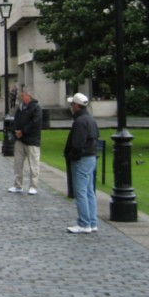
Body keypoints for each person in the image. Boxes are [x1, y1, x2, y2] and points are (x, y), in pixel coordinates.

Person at [64, 93, 100, 234]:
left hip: (82, 159)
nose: (71, 106)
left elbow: (78, 144)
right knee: (90, 192)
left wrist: (72, 156)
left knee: (81, 192)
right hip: (91, 157)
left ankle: (84, 223)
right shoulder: (90, 120)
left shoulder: (79, 122)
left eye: (72, 104)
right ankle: (92, 222)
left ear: (77, 106)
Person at [9, 87, 42, 195]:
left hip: (32, 140)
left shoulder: (36, 108)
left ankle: (33, 186)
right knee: (18, 163)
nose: (20, 97)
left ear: (29, 96)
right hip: (20, 139)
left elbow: (35, 123)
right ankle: (18, 185)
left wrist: (23, 131)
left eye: (23, 95)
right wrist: (15, 131)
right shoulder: (20, 108)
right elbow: (16, 121)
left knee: (33, 164)